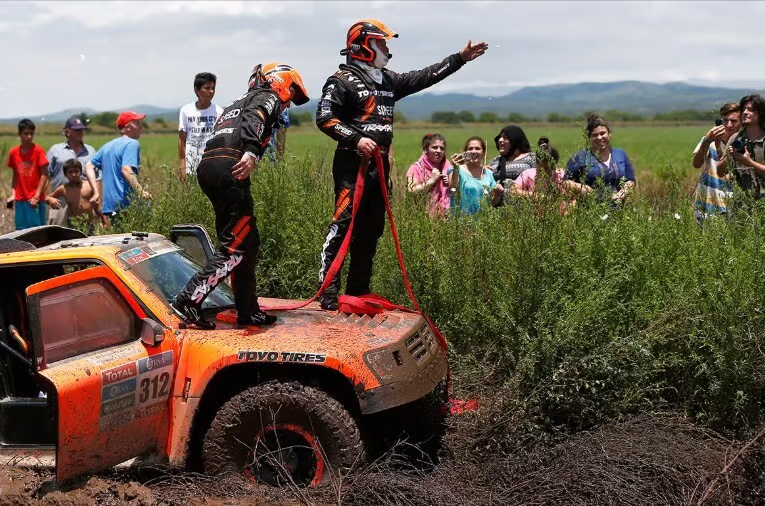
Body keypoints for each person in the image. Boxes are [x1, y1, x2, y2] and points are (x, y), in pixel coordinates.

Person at [315, 18, 488, 310]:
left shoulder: (388, 80)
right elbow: (324, 118)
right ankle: (327, 291)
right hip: (352, 164)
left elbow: (425, 76)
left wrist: (459, 59)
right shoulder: (341, 80)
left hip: (380, 165)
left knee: (372, 228)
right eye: (381, 43)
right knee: (343, 224)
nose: (386, 49)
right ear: (364, 46)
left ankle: (358, 290)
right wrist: (356, 138)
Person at [172, 63, 309, 329]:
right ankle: (189, 299)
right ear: (281, 81)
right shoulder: (267, 95)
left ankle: (248, 310)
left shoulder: (238, 101)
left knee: (248, 241)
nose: (290, 102)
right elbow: (255, 117)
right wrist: (252, 151)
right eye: (292, 92)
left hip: (210, 167)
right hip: (231, 167)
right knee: (236, 248)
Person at [84, 111, 152, 231]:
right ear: (127, 127)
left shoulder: (108, 146)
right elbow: (126, 169)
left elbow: (89, 166)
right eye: (137, 123)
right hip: (127, 204)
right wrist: (141, 192)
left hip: (110, 205)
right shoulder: (132, 143)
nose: (141, 127)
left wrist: (95, 192)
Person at [564, 114, 636, 206]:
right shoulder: (579, 157)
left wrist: (622, 193)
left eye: (602, 133)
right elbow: (565, 182)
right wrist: (581, 188)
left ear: (609, 134)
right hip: (589, 210)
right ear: (589, 138)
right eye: (594, 135)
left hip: (619, 210)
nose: (599, 137)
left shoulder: (620, 154)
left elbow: (631, 180)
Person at [46, 115, 99, 226]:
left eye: (81, 130)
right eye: (77, 130)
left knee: (87, 233)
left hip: (85, 199)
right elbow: (46, 175)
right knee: (58, 233)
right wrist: (46, 197)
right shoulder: (55, 150)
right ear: (68, 132)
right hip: (60, 200)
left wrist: (97, 197)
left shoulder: (91, 151)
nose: (81, 132)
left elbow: (98, 177)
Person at [691, 103, 740, 222]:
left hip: (730, 208)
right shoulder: (709, 141)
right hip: (704, 207)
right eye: (725, 120)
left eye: (733, 121)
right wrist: (707, 140)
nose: (729, 125)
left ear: (742, 123)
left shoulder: (742, 146)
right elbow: (696, 164)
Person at [178, 72, 224, 180]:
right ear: (196, 90)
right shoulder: (186, 111)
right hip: (191, 167)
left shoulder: (219, 111)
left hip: (213, 166)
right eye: (207, 88)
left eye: (213, 88)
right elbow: (182, 140)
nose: (211, 91)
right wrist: (182, 166)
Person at [6, 119, 49, 230]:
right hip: (20, 200)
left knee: (38, 232)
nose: (29, 136)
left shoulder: (38, 151)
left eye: (31, 133)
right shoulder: (14, 152)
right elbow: (16, 175)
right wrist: (13, 194)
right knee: (21, 231)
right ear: (19, 134)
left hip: (34, 200)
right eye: (26, 133)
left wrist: (36, 196)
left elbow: (44, 175)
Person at [448, 136, 503, 214]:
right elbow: (453, 187)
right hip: (460, 218)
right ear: (465, 153)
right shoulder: (457, 170)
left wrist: (497, 195)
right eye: (470, 149)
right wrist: (455, 167)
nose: (473, 151)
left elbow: (492, 203)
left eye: (477, 148)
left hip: (482, 219)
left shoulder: (489, 174)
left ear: (483, 153)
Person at [727, 94, 765, 201]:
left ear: (761, 113)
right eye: (743, 109)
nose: (745, 112)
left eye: (750, 110)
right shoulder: (735, 139)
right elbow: (721, 172)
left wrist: (748, 162)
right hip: (742, 201)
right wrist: (728, 155)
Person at [48, 159, 103, 233]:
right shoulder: (63, 189)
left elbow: (98, 204)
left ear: (80, 172)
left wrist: (104, 221)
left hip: (90, 223)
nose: (73, 174)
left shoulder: (89, 186)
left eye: (76, 171)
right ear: (65, 174)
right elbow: (46, 197)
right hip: (73, 224)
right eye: (70, 172)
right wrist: (50, 199)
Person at [406, 133, 451, 216]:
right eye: (434, 147)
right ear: (426, 149)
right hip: (422, 217)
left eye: (442, 148)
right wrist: (432, 180)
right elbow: (411, 192)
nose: (438, 151)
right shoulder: (416, 168)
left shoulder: (448, 167)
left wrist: (451, 182)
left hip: (446, 217)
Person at [488, 125, 535, 190]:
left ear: (515, 140)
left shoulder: (531, 158)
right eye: (500, 137)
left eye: (505, 137)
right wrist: (483, 171)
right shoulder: (495, 161)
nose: (500, 140)